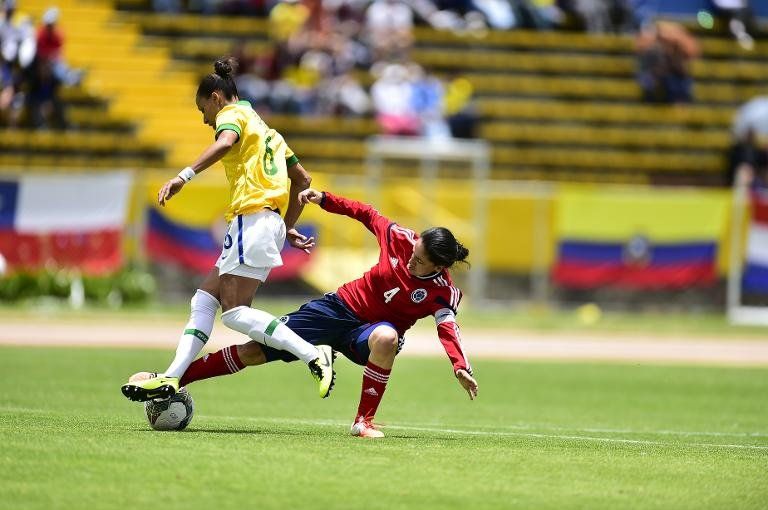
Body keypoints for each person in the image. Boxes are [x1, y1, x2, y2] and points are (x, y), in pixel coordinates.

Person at [134, 188, 479, 438]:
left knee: (387, 338)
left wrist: (460, 367)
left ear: (438, 266)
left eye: (419, 261)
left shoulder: (442, 292)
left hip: (368, 333)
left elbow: (449, 329)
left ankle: (364, 422)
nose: (410, 259)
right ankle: (173, 380)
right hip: (338, 308)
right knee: (255, 349)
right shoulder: (402, 238)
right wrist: (325, 200)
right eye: (413, 251)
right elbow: (367, 213)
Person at [121, 57, 335, 402]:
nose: (205, 119)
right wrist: (285, 226)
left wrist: (182, 177)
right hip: (262, 222)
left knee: (235, 313)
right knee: (204, 298)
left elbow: (223, 144)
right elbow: (304, 181)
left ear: (216, 97)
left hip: (251, 219)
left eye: (202, 108)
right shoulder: (267, 129)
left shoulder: (231, 116)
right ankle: (172, 377)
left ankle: (311, 353)